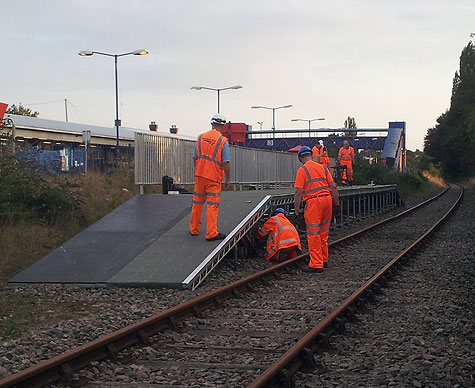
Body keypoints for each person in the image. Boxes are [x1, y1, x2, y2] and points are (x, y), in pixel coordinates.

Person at [294, 146, 339, 273]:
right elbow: (333, 188)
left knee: (313, 234)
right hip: (327, 200)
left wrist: (296, 210)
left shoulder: (302, 170)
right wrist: (337, 204)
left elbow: (298, 192)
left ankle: (316, 264)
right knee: (324, 233)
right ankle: (324, 260)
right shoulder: (324, 168)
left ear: (301, 158)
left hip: (314, 203)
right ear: (312, 156)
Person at [189, 113, 230, 241]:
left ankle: (194, 229)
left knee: (197, 203)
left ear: (211, 123)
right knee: (212, 205)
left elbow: (195, 157)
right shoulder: (222, 141)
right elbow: (226, 162)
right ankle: (211, 233)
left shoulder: (200, 137)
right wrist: (228, 179)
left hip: (200, 175)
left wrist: (198, 170)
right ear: (223, 126)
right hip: (213, 178)